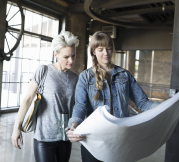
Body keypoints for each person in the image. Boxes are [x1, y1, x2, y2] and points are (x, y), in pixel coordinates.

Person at [66, 31, 162, 162]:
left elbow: (143, 103)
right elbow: (80, 106)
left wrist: (171, 105)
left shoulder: (125, 75)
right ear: (93, 51)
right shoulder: (85, 77)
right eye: (100, 49)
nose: (106, 53)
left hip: (120, 139)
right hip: (94, 139)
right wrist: (74, 126)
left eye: (109, 48)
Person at [11, 31, 79, 162]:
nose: (71, 60)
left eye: (73, 55)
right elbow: (28, 99)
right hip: (44, 137)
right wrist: (16, 128)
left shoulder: (75, 78)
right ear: (56, 55)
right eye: (66, 57)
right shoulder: (44, 71)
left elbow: (76, 106)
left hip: (65, 137)